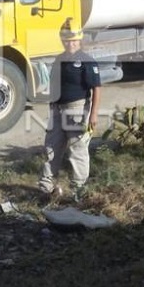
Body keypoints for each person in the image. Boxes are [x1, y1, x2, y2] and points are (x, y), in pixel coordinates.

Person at [39, 20, 102, 202]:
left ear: (80, 40)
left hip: (77, 110)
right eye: (66, 40)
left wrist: (93, 114)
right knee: (51, 147)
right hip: (57, 109)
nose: (70, 44)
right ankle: (45, 188)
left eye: (73, 40)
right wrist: (52, 105)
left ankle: (78, 191)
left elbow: (97, 88)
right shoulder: (59, 60)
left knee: (77, 150)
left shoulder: (87, 61)